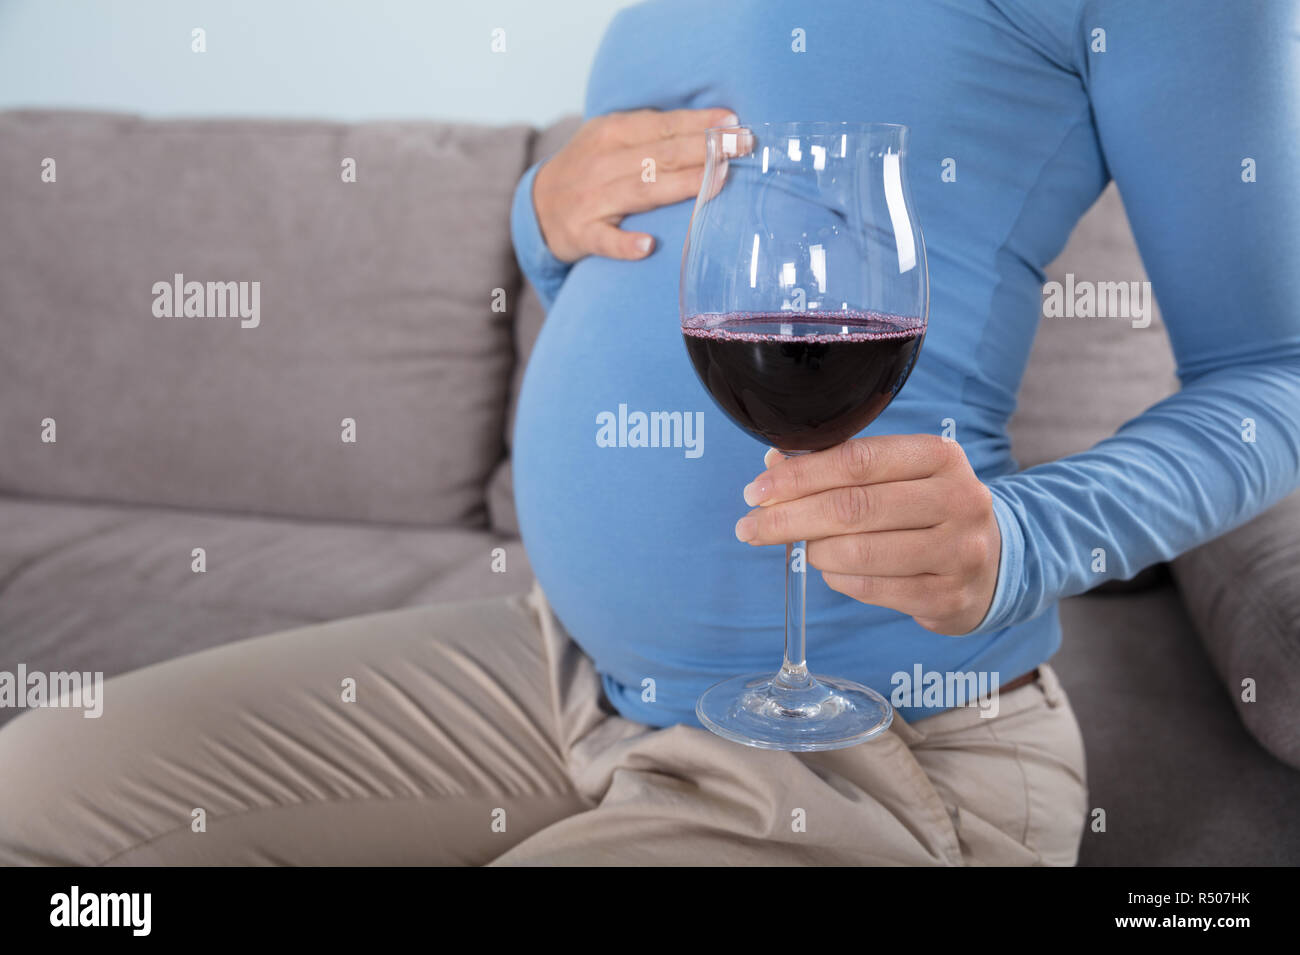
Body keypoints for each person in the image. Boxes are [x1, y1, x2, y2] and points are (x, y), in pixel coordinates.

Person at [1, 0, 1297, 866]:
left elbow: (1276, 375)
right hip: (571, 671)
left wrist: (1022, 538)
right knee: (39, 801)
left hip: (889, 738)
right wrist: (541, 225)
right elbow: (657, 252)